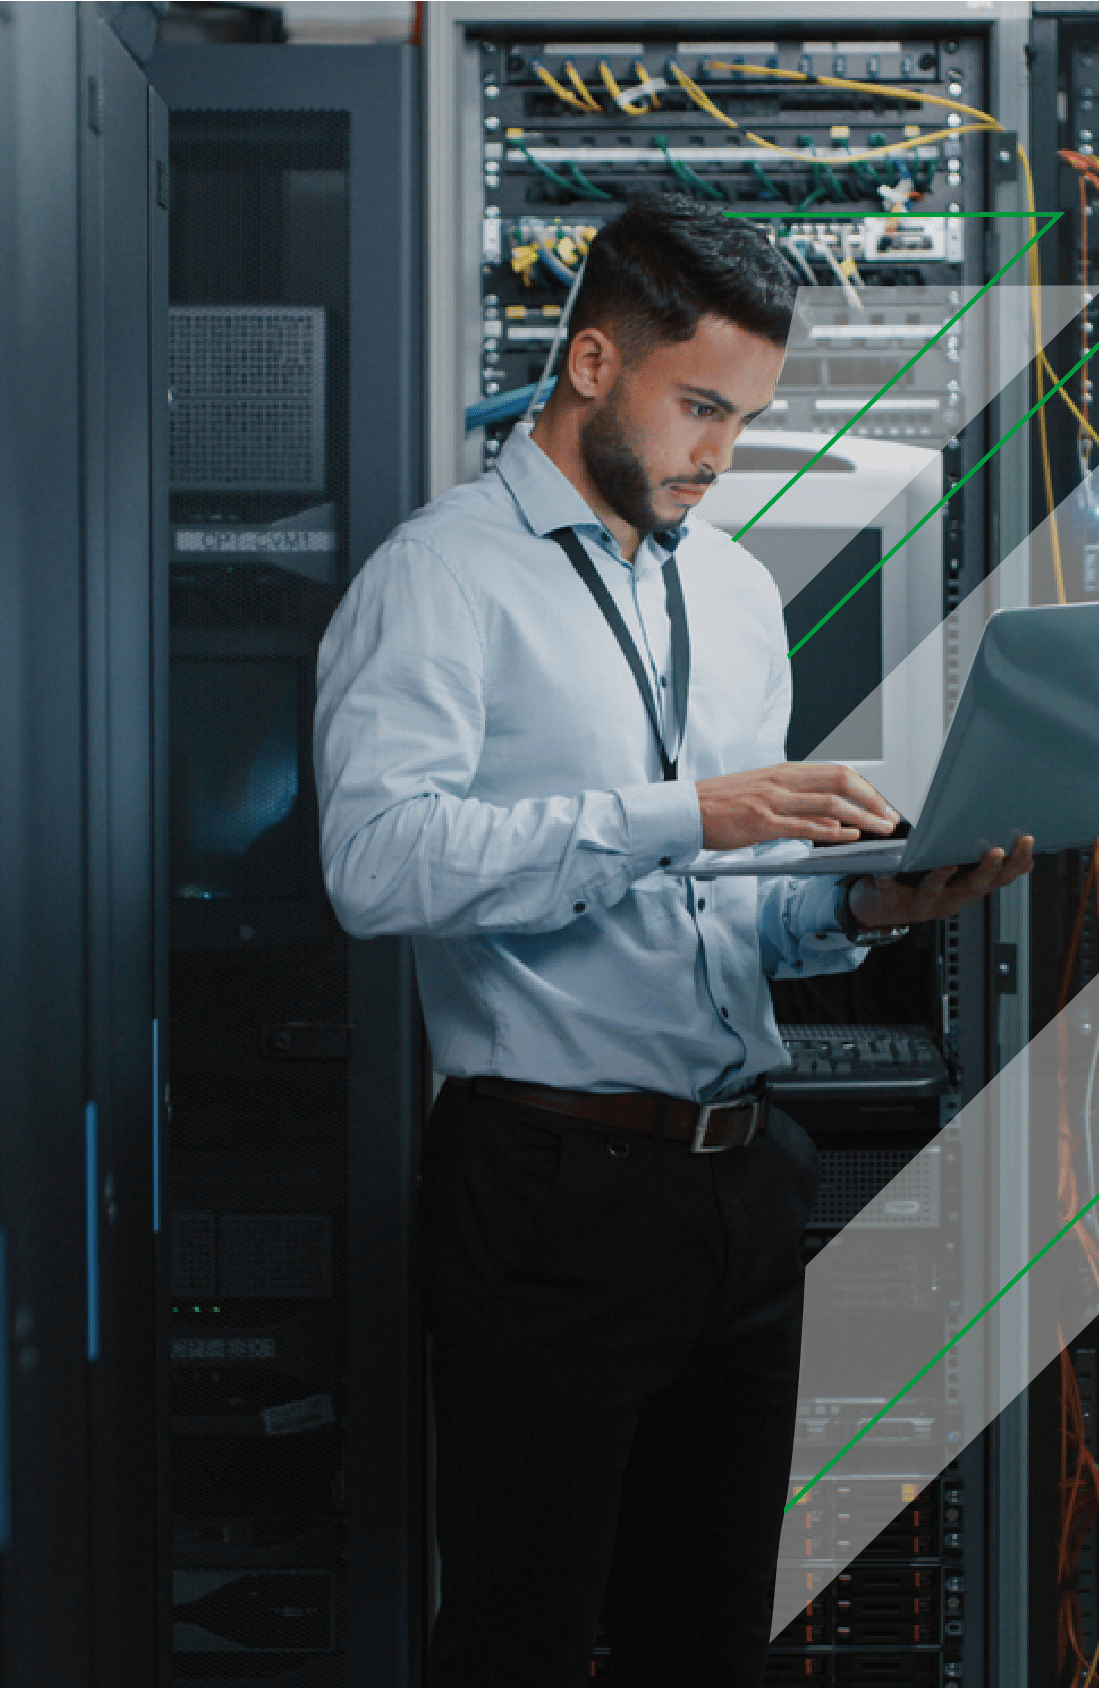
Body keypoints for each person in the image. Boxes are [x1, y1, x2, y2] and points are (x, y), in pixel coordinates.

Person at [312, 192, 1033, 1686]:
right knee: (516, 1636)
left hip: (738, 1185)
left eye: (745, 418)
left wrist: (858, 903)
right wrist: (682, 815)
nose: (721, 454)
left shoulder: (733, 588)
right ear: (592, 364)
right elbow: (374, 865)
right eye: (700, 406)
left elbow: (725, 897)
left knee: (704, 1642)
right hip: (548, 1183)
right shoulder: (438, 580)